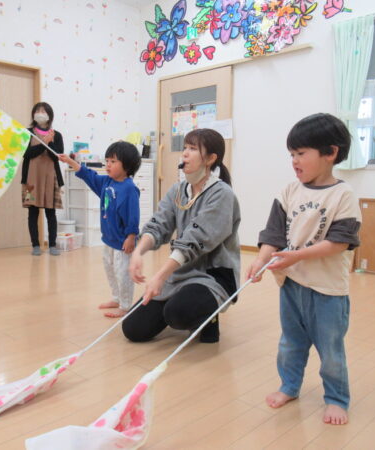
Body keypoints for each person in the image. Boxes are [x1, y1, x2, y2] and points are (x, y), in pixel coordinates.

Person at [246, 113, 361, 426]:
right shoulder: (289, 191)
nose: (294, 161)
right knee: (290, 343)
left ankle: (336, 399)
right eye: (291, 155)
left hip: (328, 291)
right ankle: (289, 386)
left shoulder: (343, 195)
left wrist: (296, 256)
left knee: (331, 350)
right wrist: (260, 260)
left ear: (330, 152)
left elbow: (339, 242)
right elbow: (273, 234)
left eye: (301, 153)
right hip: (292, 285)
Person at [122, 128, 240, 344]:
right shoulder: (177, 190)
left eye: (193, 149)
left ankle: (209, 317)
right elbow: (158, 225)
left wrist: (160, 276)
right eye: (185, 147)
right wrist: (138, 252)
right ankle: (184, 301)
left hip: (213, 276)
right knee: (133, 329)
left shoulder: (222, 194)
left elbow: (195, 239)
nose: (184, 153)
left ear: (211, 159)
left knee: (177, 313)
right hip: (181, 273)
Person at [59, 142, 141, 318]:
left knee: (122, 273)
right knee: (110, 269)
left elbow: (133, 216)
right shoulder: (106, 182)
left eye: (113, 161)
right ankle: (116, 298)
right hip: (109, 239)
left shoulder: (129, 189)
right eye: (107, 160)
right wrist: (71, 162)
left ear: (127, 166)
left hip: (122, 242)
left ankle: (125, 305)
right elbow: (89, 175)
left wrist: (131, 236)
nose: (108, 165)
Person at [21, 102, 65, 256]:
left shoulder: (56, 135)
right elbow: (27, 154)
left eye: (43, 111)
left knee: (50, 213)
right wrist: (44, 143)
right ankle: (35, 245)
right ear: (33, 114)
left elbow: (57, 156)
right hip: (31, 180)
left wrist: (50, 142)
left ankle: (52, 245)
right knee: (33, 213)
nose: (40, 113)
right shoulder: (27, 133)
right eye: (37, 111)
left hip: (51, 179)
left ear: (49, 115)